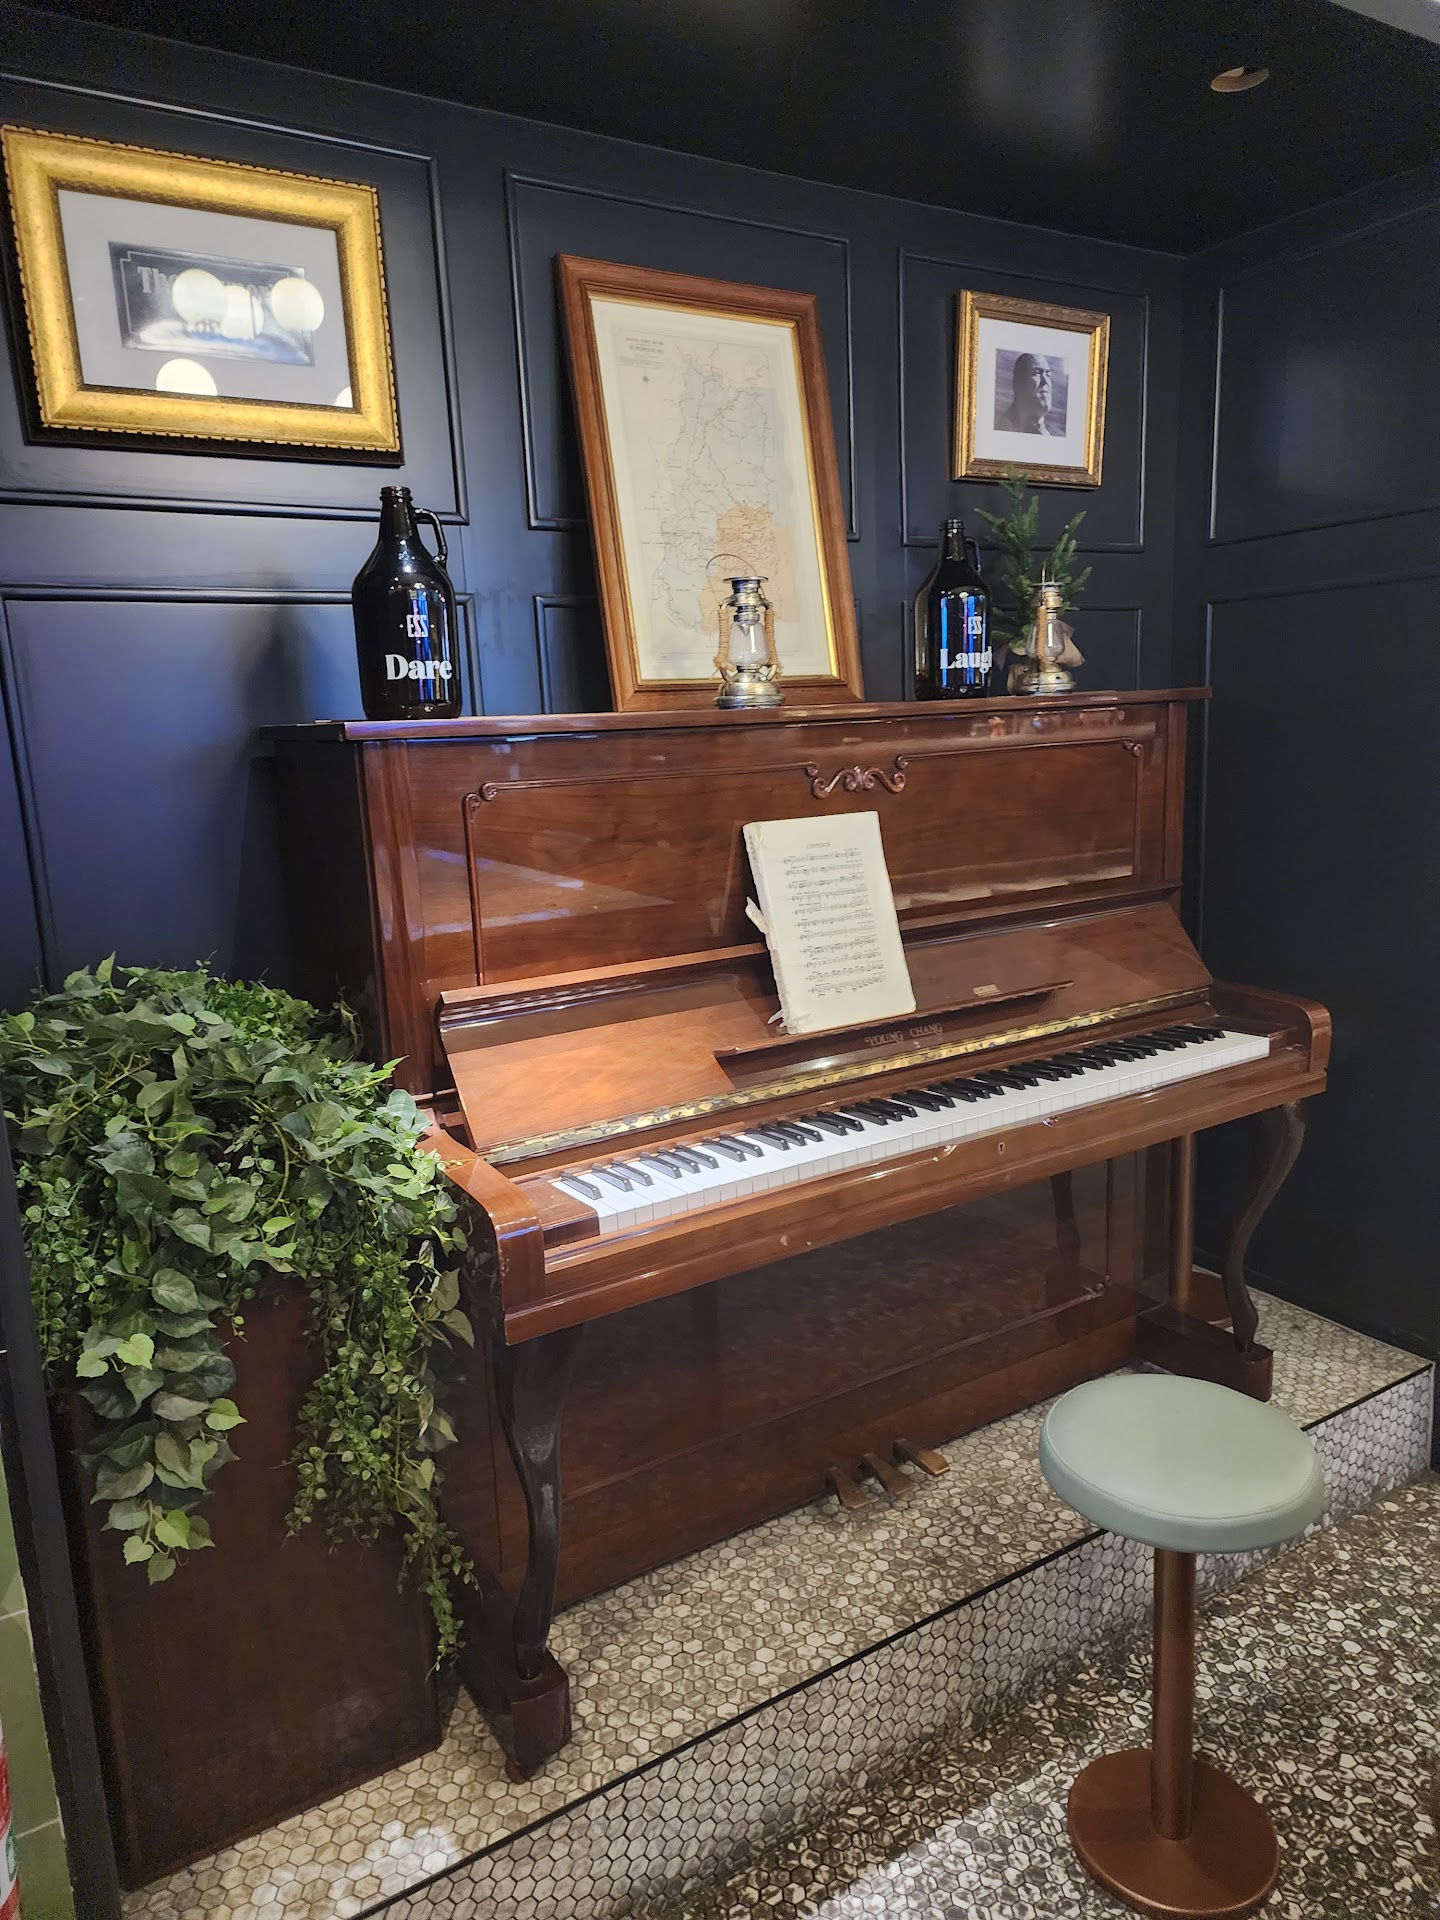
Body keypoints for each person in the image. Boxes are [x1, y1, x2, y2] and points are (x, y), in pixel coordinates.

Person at [996, 351, 1063, 434]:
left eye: (1048, 374)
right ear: (1018, 382)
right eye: (1037, 372)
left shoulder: (1057, 434)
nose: (1045, 381)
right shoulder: (1001, 427)